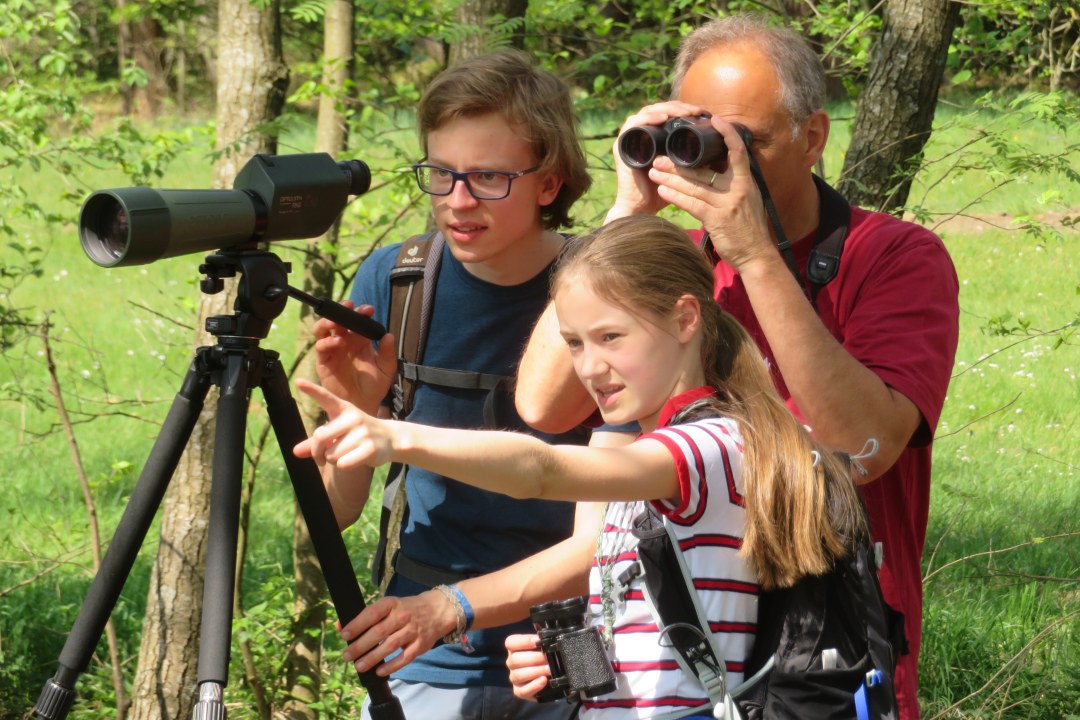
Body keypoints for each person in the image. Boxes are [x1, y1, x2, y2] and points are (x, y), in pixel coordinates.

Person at [514, 15, 960, 719]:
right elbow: (543, 406)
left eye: (744, 140)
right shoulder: (677, 266)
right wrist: (628, 211)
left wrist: (753, 255)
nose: (722, 160)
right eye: (698, 136)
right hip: (684, 671)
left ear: (814, 136)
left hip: (824, 661)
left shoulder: (895, 257)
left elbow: (862, 448)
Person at [296, 215, 873, 719]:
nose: (591, 366)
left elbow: (541, 470)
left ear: (685, 320)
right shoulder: (652, 457)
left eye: (611, 337)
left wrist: (396, 436)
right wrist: (571, 662)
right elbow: (672, 646)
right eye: (574, 343)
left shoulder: (712, 446)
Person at [308, 49, 597, 719]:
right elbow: (334, 513)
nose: (457, 202)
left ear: (548, 184)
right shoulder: (397, 282)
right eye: (440, 175)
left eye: (489, 177)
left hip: (576, 646)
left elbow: (627, 512)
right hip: (425, 651)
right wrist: (354, 413)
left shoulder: (609, 288)